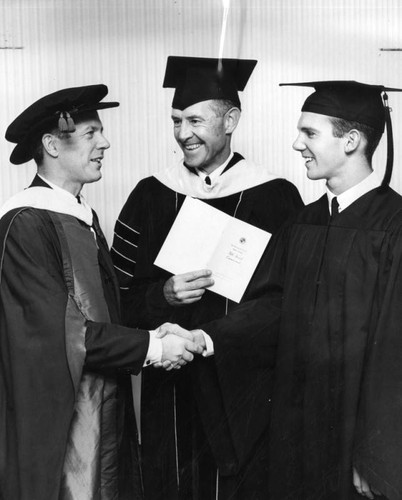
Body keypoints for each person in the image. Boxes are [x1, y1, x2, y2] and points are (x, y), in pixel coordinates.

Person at [111, 56, 304, 499]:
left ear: (231, 119)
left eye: (195, 119)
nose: (183, 134)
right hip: (170, 386)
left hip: (243, 385)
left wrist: (213, 336)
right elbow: (117, 298)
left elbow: (286, 302)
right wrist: (162, 294)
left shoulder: (276, 196)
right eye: (176, 120)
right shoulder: (150, 194)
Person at [0, 84, 202, 500]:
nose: (105, 143)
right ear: (51, 145)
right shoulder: (25, 223)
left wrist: (156, 334)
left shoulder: (81, 216)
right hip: (59, 422)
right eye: (91, 134)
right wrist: (154, 348)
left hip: (103, 406)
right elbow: (61, 332)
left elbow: (103, 316)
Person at [233, 80, 402, 500]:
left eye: (309, 133)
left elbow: (394, 354)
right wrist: (206, 338)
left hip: (356, 441)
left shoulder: (395, 226)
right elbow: (270, 307)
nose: (296, 144)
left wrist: (377, 453)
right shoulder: (301, 224)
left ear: (351, 140)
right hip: (293, 433)